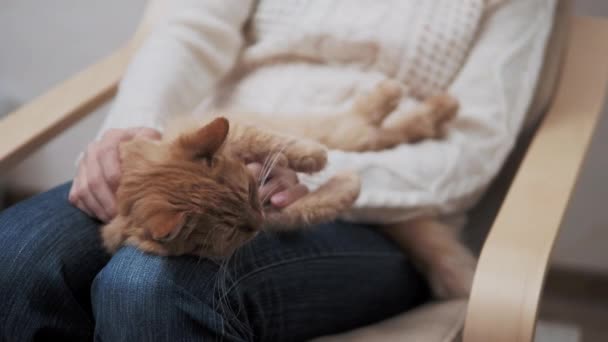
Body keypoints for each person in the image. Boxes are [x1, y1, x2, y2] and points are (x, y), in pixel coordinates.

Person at [0, 0, 556, 341]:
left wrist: (310, 176)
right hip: (203, 155)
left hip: (376, 211)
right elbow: (189, 35)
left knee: (148, 286)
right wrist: (137, 140)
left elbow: (469, 153)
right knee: (16, 256)